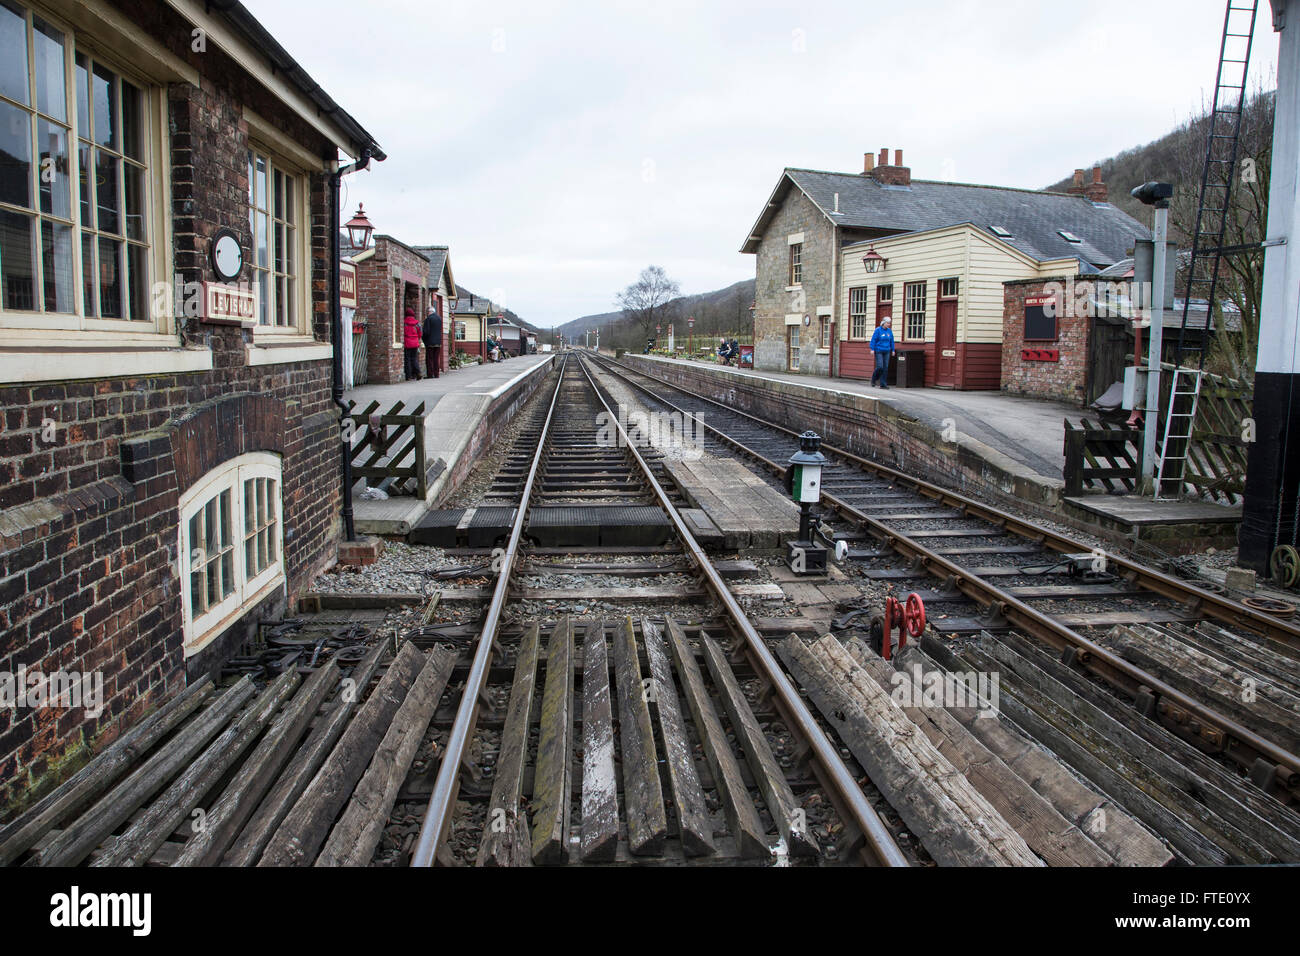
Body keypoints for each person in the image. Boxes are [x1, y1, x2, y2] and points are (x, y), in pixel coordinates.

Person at [870, 317, 895, 388]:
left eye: (889, 323)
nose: (888, 325)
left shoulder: (889, 331)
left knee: (885, 368)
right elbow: (873, 340)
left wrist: (893, 350)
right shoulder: (878, 330)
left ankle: (883, 384)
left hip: (887, 350)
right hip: (879, 350)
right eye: (887, 323)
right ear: (883, 323)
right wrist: (872, 349)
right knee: (880, 366)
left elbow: (891, 341)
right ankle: (874, 379)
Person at [422, 305, 443, 379]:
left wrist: (423, 339)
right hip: (438, 342)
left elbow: (426, 332)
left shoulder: (428, 319)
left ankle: (430, 374)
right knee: (436, 358)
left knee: (430, 359)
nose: (426, 314)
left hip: (430, 342)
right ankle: (436, 374)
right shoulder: (439, 319)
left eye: (427, 312)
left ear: (429, 312)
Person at [402, 306, 422, 380]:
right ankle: (418, 372)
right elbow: (420, 333)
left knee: (407, 359)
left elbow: (402, 332)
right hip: (415, 343)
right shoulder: (417, 323)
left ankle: (409, 375)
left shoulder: (404, 323)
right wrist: (417, 339)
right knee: (414, 358)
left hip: (407, 343)